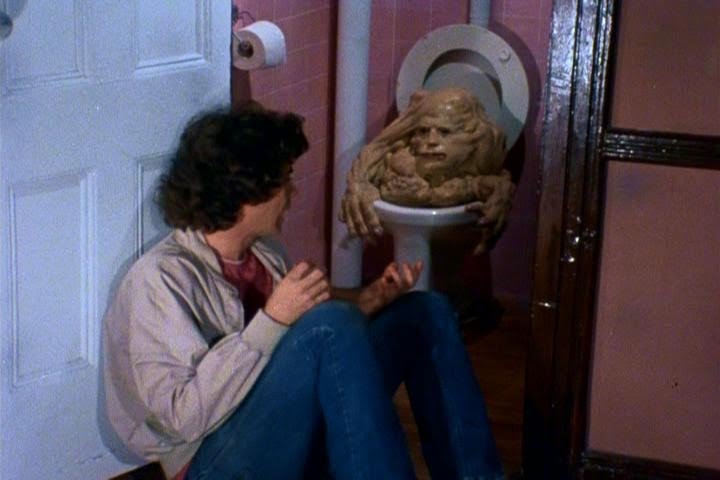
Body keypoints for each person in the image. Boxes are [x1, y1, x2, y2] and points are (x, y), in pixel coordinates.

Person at [103, 104, 504, 480]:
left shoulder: (265, 252)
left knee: (425, 311)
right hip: (210, 460)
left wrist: (369, 301)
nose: (292, 193)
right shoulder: (159, 280)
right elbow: (182, 417)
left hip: (284, 435)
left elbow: (305, 346)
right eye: (284, 180)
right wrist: (272, 320)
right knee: (329, 325)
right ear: (246, 193)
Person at [340, 87, 516, 254]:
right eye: (423, 131)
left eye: (444, 132)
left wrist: (501, 190)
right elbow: (375, 154)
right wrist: (359, 183)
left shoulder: (483, 154)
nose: (431, 141)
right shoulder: (403, 159)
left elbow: (493, 180)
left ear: (471, 136)